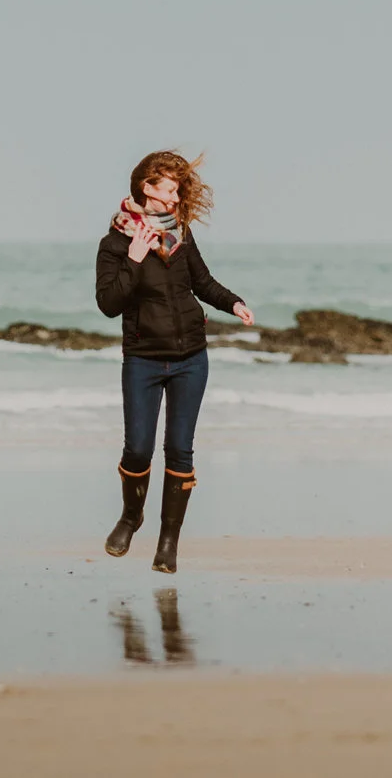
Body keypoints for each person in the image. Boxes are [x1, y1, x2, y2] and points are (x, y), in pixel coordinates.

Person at [95, 150, 254, 573]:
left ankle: (168, 543)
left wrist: (233, 302)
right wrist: (133, 260)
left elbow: (202, 282)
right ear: (146, 187)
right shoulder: (115, 244)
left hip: (190, 359)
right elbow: (108, 304)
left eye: (178, 190)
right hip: (143, 359)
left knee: (179, 450)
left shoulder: (180, 234)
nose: (175, 197)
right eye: (169, 189)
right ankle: (131, 517)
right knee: (138, 449)